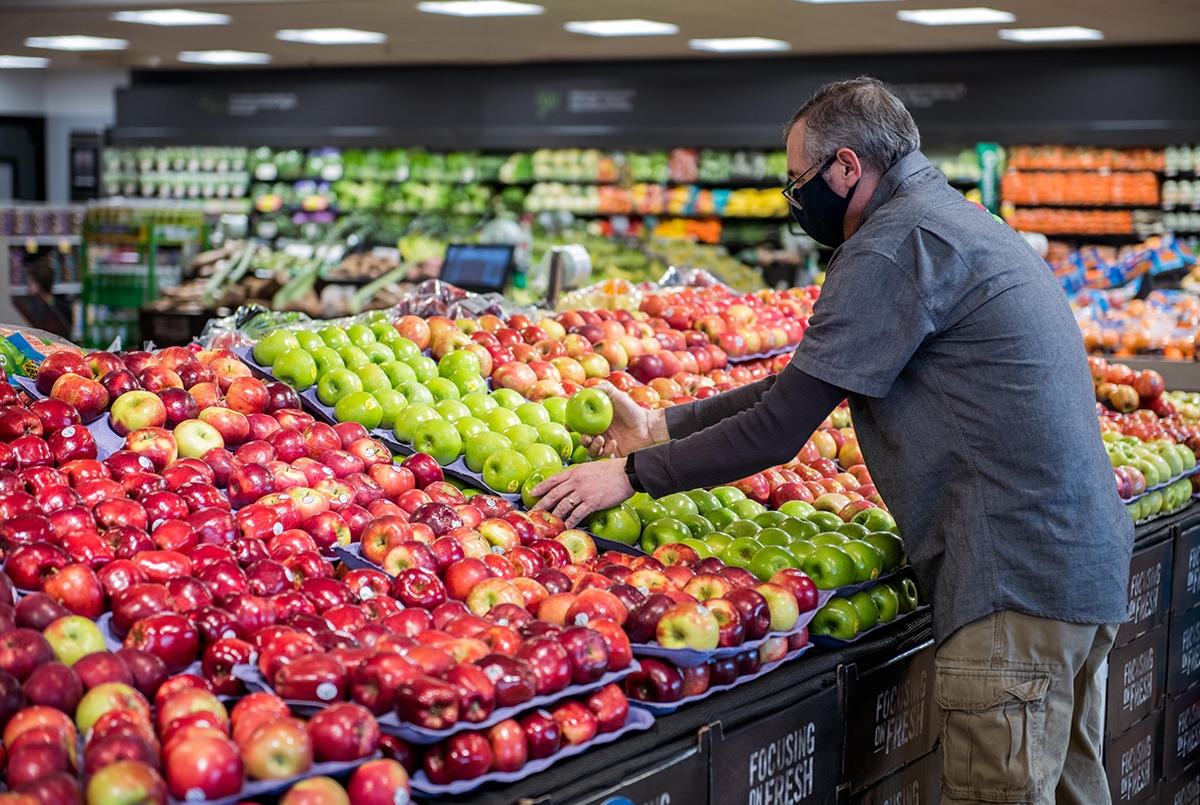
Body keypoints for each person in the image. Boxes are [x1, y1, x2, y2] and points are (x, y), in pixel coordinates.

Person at [533, 76, 1132, 805]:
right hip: (1079, 565)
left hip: (1011, 584)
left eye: (798, 181)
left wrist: (633, 472)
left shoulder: (890, 247)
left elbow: (782, 428)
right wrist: (662, 424)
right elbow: (809, 382)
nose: (794, 200)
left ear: (847, 167)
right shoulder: (951, 222)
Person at [16, 251, 73, 339]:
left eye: (30, 283)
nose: (28, 288)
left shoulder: (33, 308)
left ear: (38, 285)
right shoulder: (63, 306)